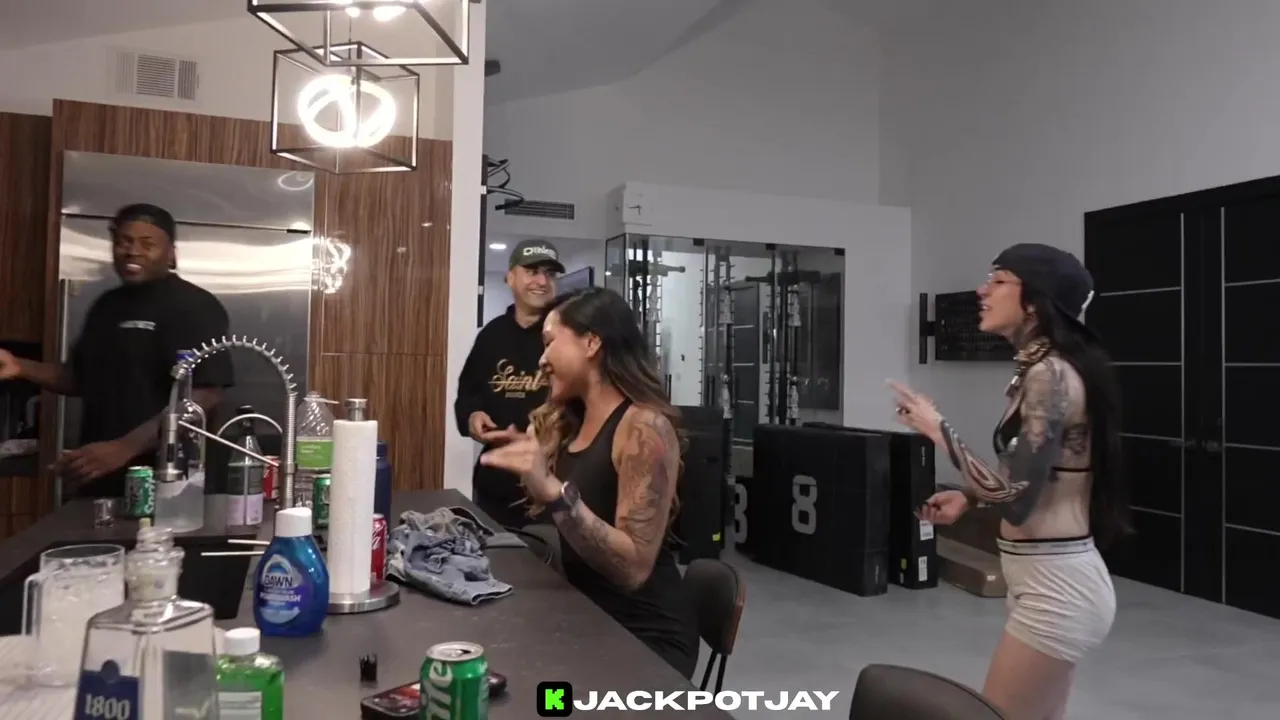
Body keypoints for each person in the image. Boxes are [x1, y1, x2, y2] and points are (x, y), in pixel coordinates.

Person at [888, 243, 1128, 720]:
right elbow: (1030, 481)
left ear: (1035, 302)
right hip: (1040, 576)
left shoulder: (1051, 376)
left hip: (1057, 586)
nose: (982, 291)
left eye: (998, 281)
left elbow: (1016, 502)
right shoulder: (1039, 371)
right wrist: (970, 498)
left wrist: (937, 429)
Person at [478, 287, 700, 679]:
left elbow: (633, 568)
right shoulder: (571, 425)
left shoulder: (644, 427)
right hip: (590, 618)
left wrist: (554, 492)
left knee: (546, 699)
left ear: (592, 343)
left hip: (646, 639)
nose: (542, 360)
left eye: (549, 342)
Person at [0, 204, 234, 498]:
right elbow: (77, 378)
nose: (133, 251)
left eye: (147, 244)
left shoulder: (194, 306)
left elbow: (205, 394)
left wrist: (124, 448)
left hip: (170, 484)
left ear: (171, 255)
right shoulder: (106, 306)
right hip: (99, 475)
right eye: (124, 241)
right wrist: (20, 366)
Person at [454, 239, 563, 528]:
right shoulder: (491, 336)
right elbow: (467, 396)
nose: (542, 281)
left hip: (552, 482)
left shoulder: (568, 336)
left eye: (550, 274)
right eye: (532, 272)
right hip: (496, 485)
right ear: (511, 277)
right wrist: (472, 416)